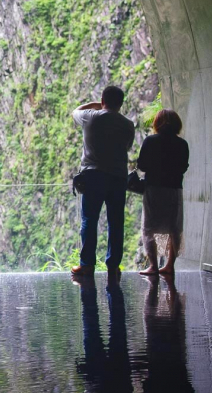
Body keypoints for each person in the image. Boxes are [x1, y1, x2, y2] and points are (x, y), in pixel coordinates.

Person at [71, 85, 136, 277]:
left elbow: (75, 111)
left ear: (102, 100)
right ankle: (113, 265)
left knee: (89, 220)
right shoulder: (128, 124)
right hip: (118, 176)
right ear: (121, 103)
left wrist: (95, 104)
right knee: (116, 222)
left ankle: (87, 264)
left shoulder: (90, 116)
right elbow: (127, 146)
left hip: (93, 175)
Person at [137, 109, 189, 277]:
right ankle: (169, 265)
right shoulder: (182, 144)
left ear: (157, 123)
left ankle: (153, 265)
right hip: (174, 188)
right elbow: (183, 167)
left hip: (154, 188)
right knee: (174, 227)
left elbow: (142, 165)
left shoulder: (150, 141)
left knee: (149, 228)